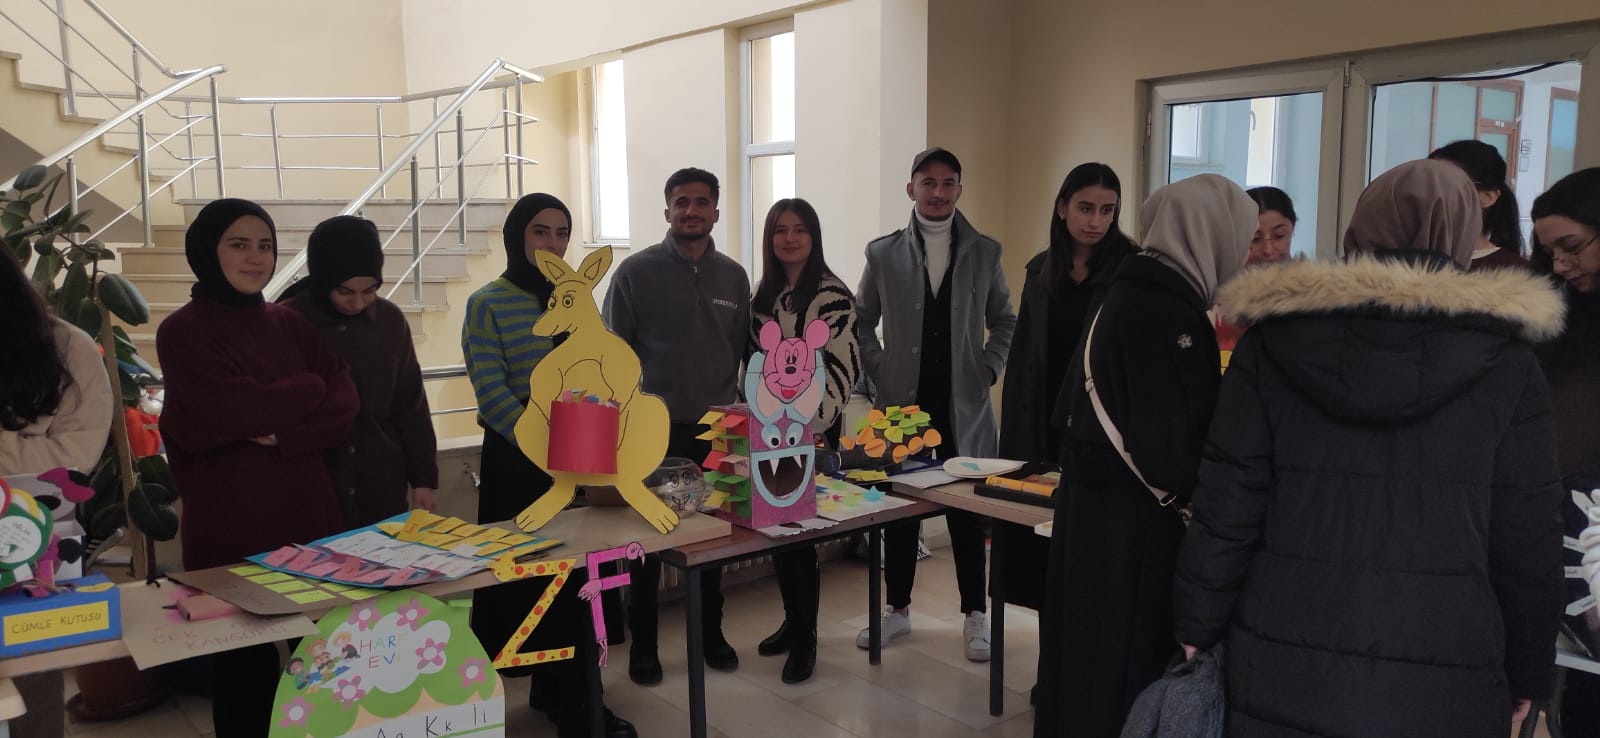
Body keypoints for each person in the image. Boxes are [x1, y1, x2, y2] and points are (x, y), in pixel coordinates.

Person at [1173, 159, 1565, 736]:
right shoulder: (1508, 365)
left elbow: (1228, 501)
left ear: (1360, 229)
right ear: (1462, 235)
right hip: (1447, 662)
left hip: (1283, 647)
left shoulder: (1273, 344)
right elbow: (1527, 535)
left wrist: (1197, 624)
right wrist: (1530, 668)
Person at [1033, 174, 1257, 737]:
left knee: (1083, 660)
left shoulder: (1125, 290)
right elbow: (1172, 449)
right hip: (1132, 528)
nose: (1245, 254)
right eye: (1243, 237)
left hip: (1094, 512)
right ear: (1211, 233)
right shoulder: (1170, 312)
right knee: (1119, 666)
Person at [157, 198, 360, 738]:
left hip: (309, 521)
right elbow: (235, 410)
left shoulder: (289, 323)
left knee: (327, 662)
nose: (256, 258)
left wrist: (287, 431)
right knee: (242, 669)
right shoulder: (182, 331)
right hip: (230, 530)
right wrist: (308, 388)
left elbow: (343, 402)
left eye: (265, 245)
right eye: (239, 244)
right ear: (208, 251)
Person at [462, 193, 635, 738]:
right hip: (520, 462)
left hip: (581, 451)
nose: (553, 244)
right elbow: (492, 391)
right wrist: (547, 446)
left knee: (581, 579)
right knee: (536, 581)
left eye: (562, 233)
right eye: (541, 231)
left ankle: (571, 693)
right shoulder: (487, 303)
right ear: (518, 236)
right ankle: (570, 700)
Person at [854, 146, 1017, 662]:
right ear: (912, 188)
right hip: (902, 407)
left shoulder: (985, 252)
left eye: (948, 183)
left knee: (968, 514)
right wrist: (878, 370)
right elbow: (861, 322)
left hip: (963, 407)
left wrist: (989, 367)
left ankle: (975, 615)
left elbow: (1005, 320)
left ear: (959, 190)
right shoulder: (883, 254)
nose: (938, 192)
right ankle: (897, 609)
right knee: (900, 512)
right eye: (928, 182)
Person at [997, 163, 1138, 702]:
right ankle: (1052, 668)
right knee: (1046, 561)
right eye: (1085, 208)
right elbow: (1022, 362)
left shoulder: (1129, 271)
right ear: (1062, 207)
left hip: (1099, 433)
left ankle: (1090, 676)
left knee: (1093, 561)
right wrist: (1016, 448)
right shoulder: (1040, 271)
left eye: (1107, 210)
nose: (1096, 220)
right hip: (1043, 430)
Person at [604, 168, 749, 684]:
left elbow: (740, 350)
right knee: (647, 542)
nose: (691, 210)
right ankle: (644, 645)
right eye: (681, 202)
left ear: (716, 211)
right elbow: (614, 354)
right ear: (667, 210)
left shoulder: (734, 277)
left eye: (701, 202)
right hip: (652, 431)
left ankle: (711, 634)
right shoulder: (634, 273)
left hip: (716, 429)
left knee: (713, 535)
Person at [0, 247, 112, 738]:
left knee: (31, 700)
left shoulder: (66, 348)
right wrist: (22, 447)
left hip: (31, 556)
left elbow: (72, 462)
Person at [748, 198, 860, 684]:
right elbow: (753, 365)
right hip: (767, 433)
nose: (790, 239)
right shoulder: (763, 297)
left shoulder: (832, 296)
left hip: (809, 435)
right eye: (780, 230)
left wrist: (805, 424)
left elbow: (842, 367)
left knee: (800, 538)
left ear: (814, 237)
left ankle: (805, 639)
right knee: (778, 533)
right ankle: (792, 622)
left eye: (800, 230)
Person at [282, 215, 438, 526]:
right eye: (344, 292)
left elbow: (411, 405)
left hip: (380, 486)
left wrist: (423, 479)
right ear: (323, 280)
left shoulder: (390, 321)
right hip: (314, 486)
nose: (357, 303)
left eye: (369, 291)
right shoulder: (288, 320)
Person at [1528, 167, 1600, 737]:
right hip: (1570, 533)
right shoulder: (1559, 317)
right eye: (1550, 252)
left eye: (1572, 247)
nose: (1559, 265)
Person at [1214, 186, 1297, 366]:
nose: (1268, 250)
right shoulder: (1216, 305)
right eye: (1255, 239)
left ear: (1292, 232)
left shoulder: (1310, 299)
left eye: (1279, 236)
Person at [1430, 139, 1526, 270]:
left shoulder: (1518, 272)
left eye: (1446, 184)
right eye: (1428, 183)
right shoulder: (1407, 261)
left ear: (1487, 197)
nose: (1432, 193)